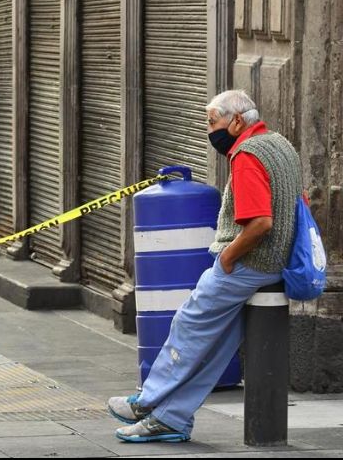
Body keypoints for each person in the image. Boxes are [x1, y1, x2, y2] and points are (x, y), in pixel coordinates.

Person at [107, 89, 303, 443]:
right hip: (277, 262)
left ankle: (146, 401)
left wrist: (228, 257)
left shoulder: (247, 155)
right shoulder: (281, 145)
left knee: (189, 323)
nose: (209, 130)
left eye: (213, 122)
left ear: (237, 121)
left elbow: (260, 222)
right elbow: (297, 201)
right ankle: (170, 419)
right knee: (218, 345)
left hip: (249, 263)